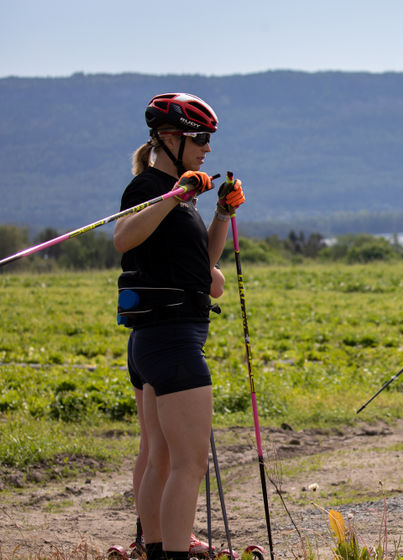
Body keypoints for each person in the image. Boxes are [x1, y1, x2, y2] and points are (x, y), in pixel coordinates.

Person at [114, 92, 244, 560]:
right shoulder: (150, 188)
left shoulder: (181, 196)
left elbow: (203, 269)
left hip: (162, 337)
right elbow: (123, 238)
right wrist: (173, 197)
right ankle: (172, 553)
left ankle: (155, 549)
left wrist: (221, 215)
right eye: (199, 138)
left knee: (163, 459)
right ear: (170, 139)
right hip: (170, 339)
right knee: (189, 464)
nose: (207, 148)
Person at [126, 263, 225, 557]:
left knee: (155, 451)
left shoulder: (141, 227)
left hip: (143, 340)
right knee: (185, 463)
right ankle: (171, 542)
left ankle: (151, 540)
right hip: (172, 343)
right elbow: (216, 285)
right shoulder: (176, 223)